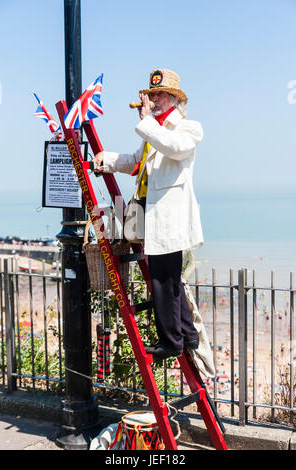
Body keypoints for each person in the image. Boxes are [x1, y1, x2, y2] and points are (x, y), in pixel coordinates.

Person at [93, 68, 204, 361]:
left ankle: (171, 341)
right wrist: (108, 161)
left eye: (160, 94)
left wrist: (145, 123)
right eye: (152, 94)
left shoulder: (188, 128)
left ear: (174, 100)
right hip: (151, 213)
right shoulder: (152, 129)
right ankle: (187, 333)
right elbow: (136, 163)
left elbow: (174, 148)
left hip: (169, 218)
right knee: (169, 277)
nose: (154, 99)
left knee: (163, 279)